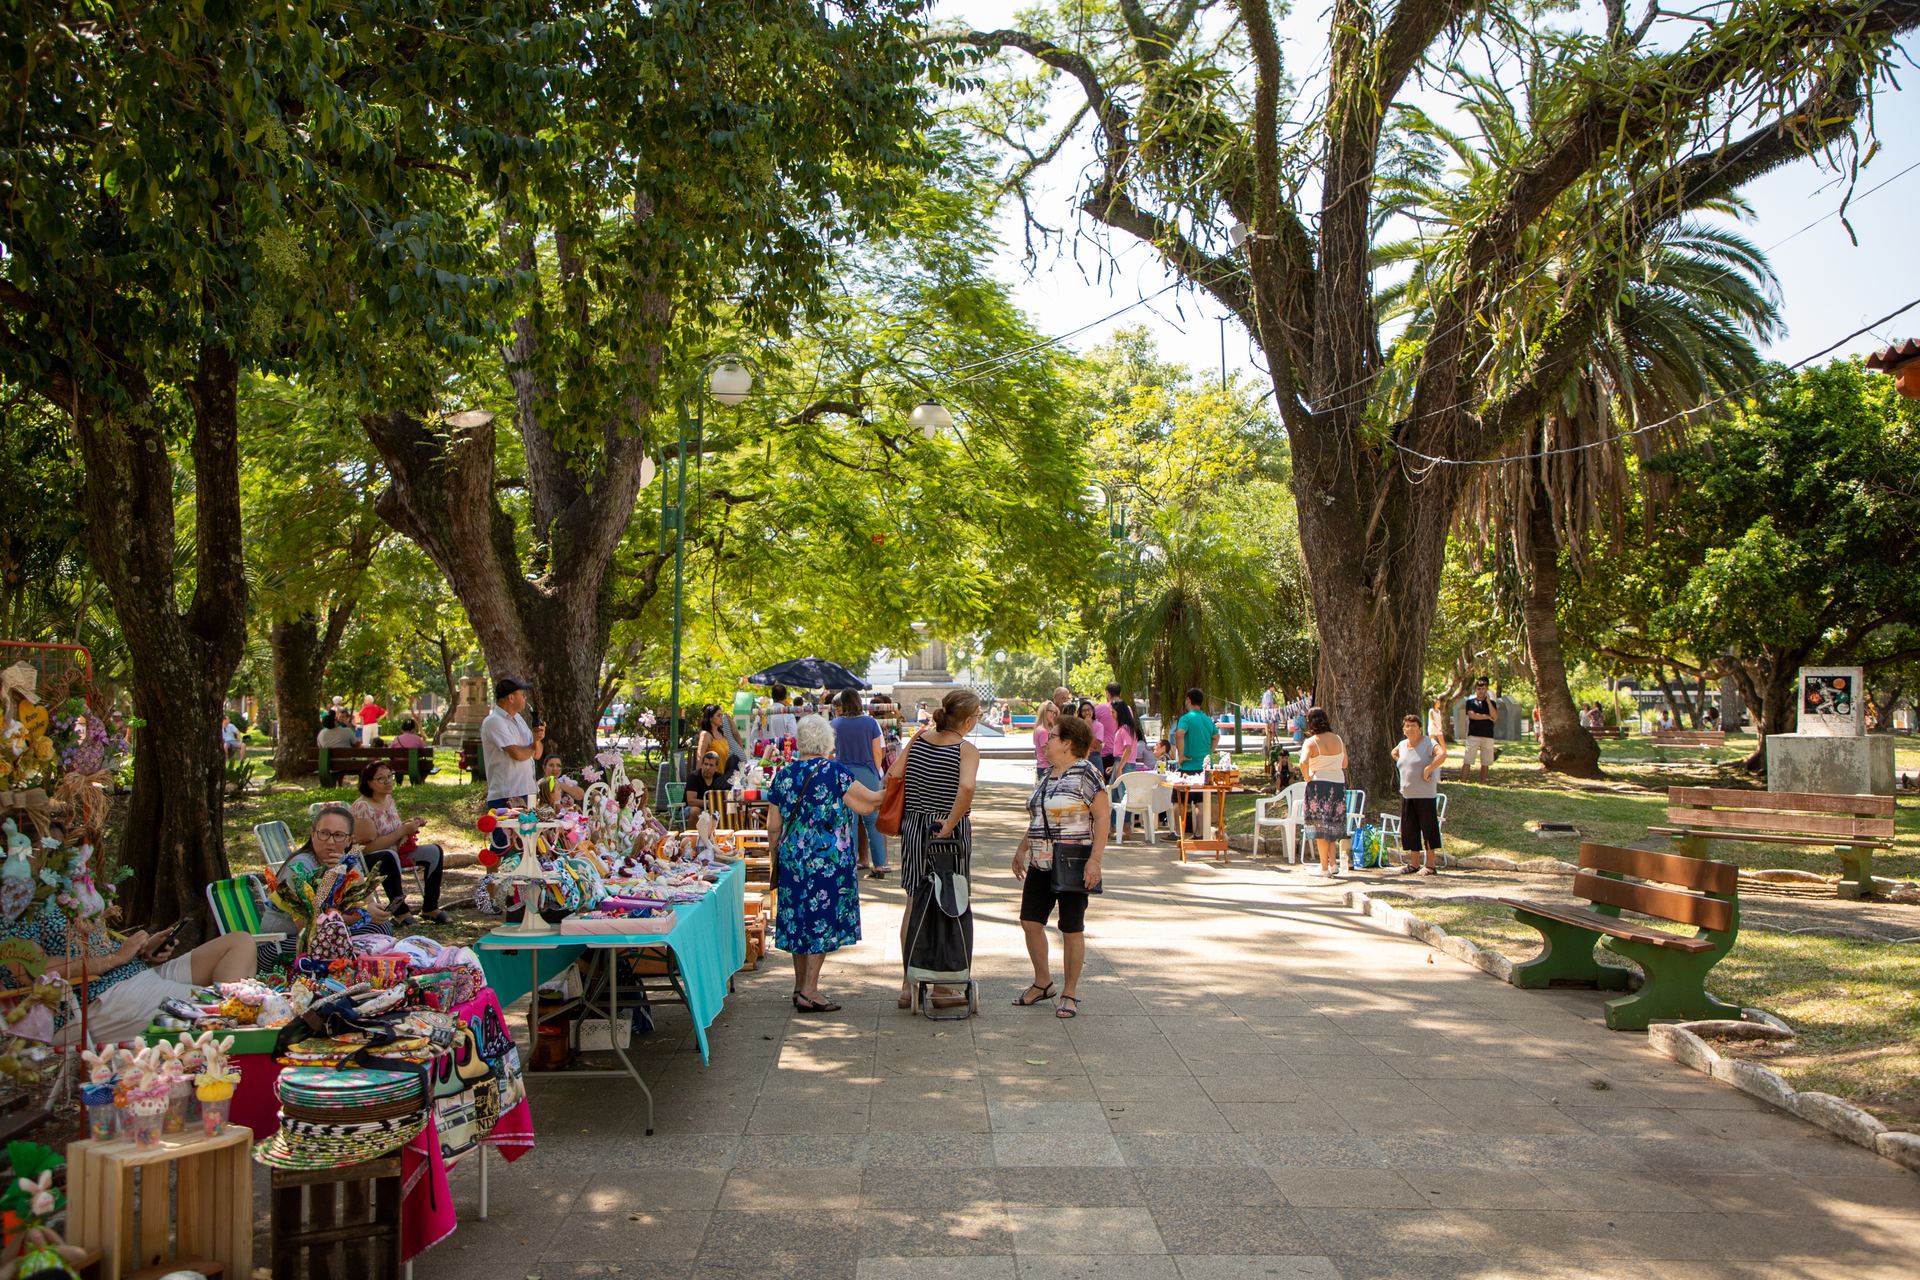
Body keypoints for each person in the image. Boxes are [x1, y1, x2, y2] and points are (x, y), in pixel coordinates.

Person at [0, 878, 259, 1048]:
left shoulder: (55, 889)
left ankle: (222, 1023)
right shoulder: (13, 907)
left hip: (133, 977)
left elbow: (88, 944)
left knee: (240, 943)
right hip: (98, 998)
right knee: (234, 1014)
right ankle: (224, 1033)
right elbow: (32, 972)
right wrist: (115, 958)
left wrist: (142, 952)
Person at [765, 714, 883, 1012]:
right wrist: (895, 785)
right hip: (826, 862)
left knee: (797, 919)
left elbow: (773, 825)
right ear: (828, 741)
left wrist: (773, 855)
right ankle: (810, 991)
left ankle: (798, 986)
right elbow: (868, 803)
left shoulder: (784, 774)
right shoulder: (835, 773)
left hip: (793, 859)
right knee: (819, 922)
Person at [884, 687, 981, 1009]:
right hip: (947, 832)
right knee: (950, 900)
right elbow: (966, 787)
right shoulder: (966, 750)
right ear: (967, 720)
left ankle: (907, 983)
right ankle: (943, 984)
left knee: (914, 901)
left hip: (915, 828)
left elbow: (893, 774)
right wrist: (951, 823)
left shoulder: (919, 739)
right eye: (978, 716)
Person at [1011, 714, 1109, 1019]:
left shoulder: (1087, 774)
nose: (1046, 741)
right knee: (1030, 922)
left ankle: (1070, 992)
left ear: (1067, 743)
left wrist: (1095, 861)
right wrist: (1021, 849)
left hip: (1072, 863)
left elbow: (1103, 818)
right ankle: (1043, 983)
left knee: (1070, 928)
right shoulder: (1049, 774)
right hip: (1040, 863)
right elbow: (1039, 817)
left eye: (1052, 737)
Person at [258, 805, 393, 939]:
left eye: (339, 835)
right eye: (324, 833)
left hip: (325, 935)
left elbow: (367, 902)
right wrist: (360, 914)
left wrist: (351, 868)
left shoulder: (344, 861)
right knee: (369, 930)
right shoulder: (301, 866)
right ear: (313, 835)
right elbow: (308, 924)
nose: (330, 841)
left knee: (381, 926)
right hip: (284, 942)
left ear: (349, 841)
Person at [351, 761, 451, 924]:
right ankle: (401, 913)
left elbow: (392, 830)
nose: (388, 781)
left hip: (396, 852)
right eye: (381, 779)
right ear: (369, 783)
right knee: (389, 856)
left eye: (390, 776)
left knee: (435, 851)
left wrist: (410, 824)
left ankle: (430, 908)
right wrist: (402, 831)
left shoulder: (388, 799)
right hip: (369, 859)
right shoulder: (362, 807)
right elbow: (366, 848)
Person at [832, 690, 889, 880]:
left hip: (843, 776)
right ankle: (880, 865)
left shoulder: (835, 724)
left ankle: (851, 865)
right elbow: (878, 753)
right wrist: (876, 772)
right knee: (873, 821)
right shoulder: (871, 723)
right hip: (868, 774)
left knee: (850, 821)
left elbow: (831, 753)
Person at [1391, 714, 1446, 875]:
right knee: (1410, 829)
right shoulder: (1402, 745)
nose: (1410, 728)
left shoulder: (1428, 743)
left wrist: (1428, 769)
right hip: (1407, 794)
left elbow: (1442, 754)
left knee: (1428, 828)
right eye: (1407, 726)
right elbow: (1394, 754)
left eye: (1413, 725)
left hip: (1425, 794)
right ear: (1403, 729)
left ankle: (1430, 865)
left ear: (1420, 728)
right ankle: (1414, 863)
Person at [1300, 707, 1348, 877]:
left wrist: (1307, 777)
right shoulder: (1338, 740)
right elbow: (1344, 764)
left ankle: (1323, 867)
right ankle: (1333, 864)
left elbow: (1303, 762)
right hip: (1338, 784)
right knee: (1333, 824)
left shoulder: (1311, 742)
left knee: (1320, 826)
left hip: (1319, 784)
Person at [1460, 678, 1497, 783]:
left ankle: (1483, 782)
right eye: (1479, 689)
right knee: (1468, 760)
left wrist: (1488, 701)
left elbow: (1495, 716)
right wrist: (1486, 716)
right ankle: (1463, 781)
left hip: (1488, 735)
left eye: (1483, 689)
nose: (1481, 691)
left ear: (1487, 690)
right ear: (1475, 689)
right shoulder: (1470, 702)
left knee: (1485, 762)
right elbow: (1472, 715)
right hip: (1474, 735)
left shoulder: (1492, 703)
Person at [1172, 687, 1216, 773]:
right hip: (1206, 768)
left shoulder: (1185, 718)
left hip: (1188, 767)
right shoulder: (1208, 720)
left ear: (1188, 699)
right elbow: (1216, 736)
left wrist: (1181, 756)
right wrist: (1208, 753)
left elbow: (1179, 735)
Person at [684, 751, 729, 823]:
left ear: (717, 767)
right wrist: (708, 803)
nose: (707, 768)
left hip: (713, 808)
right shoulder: (693, 777)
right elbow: (690, 801)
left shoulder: (719, 778)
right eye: (706, 764)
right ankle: (695, 833)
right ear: (702, 765)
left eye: (711, 765)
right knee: (695, 811)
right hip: (690, 808)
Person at [696, 705, 733, 781]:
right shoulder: (706, 735)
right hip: (709, 779)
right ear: (711, 718)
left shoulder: (722, 734)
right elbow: (700, 757)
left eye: (721, 715)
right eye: (718, 715)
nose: (721, 718)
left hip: (722, 777)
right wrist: (697, 779)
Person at [1096, 684, 1122, 776]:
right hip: (1121, 753)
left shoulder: (1100, 708)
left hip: (1105, 752)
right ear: (1120, 693)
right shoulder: (1128, 709)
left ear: (1107, 693)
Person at [1031, 701, 1059, 784]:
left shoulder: (1045, 729)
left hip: (1045, 767)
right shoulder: (1043, 731)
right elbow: (1047, 752)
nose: (1054, 715)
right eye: (1052, 712)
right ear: (1044, 711)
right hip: (1046, 767)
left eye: (1055, 713)